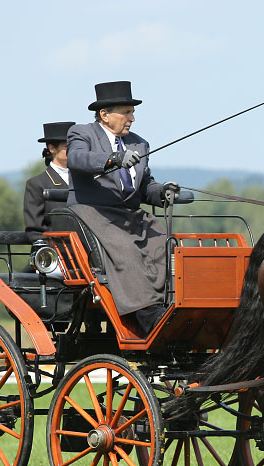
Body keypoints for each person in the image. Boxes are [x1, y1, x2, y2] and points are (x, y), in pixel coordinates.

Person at [66, 81, 177, 335]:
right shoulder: (82, 133)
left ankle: (168, 305)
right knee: (125, 251)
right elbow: (77, 159)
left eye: (133, 112)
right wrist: (112, 159)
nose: (132, 118)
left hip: (129, 214)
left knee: (166, 243)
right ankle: (147, 314)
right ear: (104, 114)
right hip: (93, 211)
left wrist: (162, 192)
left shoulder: (139, 144)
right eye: (126, 112)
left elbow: (143, 185)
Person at [24, 121, 74, 242]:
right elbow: (34, 230)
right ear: (51, 148)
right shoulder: (37, 184)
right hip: (58, 252)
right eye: (67, 146)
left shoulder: (87, 179)